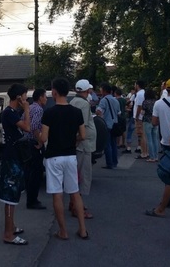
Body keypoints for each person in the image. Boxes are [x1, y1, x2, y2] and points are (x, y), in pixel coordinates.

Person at [40, 77, 88, 240]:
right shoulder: (76, 112)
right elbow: (83, 135)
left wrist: (37, 135)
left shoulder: (49, 113)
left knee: (57, 194)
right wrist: (73, 140)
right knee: (75, 193)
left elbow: (44, 138)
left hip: (54, 157)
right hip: (70, 156)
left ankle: (63, 231)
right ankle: (82, 229)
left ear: (54, 92)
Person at [145, 78, 170, 218]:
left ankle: (169, 200)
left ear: (166, 88)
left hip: (166, 141)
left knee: (169, 171)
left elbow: (154, 122)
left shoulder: (158, 103)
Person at [0, 83, 30, 245]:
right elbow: (27, 127)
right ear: (18, 97)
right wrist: (27, 109)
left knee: (15, 193)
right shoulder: (9, 113)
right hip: (11, 159)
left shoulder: (13, 113)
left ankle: (11, 226)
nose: (26, 98)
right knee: (10, 196)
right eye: (24, 95)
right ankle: (8, 234)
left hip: (16, 157)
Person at [69, 79, 96, 219]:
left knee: (76, 175)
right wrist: (78, 140)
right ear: (87, 90)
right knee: (83, 176)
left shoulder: (73, 101)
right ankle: (77, 206)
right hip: (83, 145)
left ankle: (73, 202)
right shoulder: (84, 104)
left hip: (78, 145)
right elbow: (82, 127)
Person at [24, 88, 47, 210]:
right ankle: (33, 200)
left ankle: (30, 198)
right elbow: (34, 126)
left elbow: (24, 122)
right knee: (36, 173)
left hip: (27, 143)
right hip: (34, 143)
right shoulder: (38, 109)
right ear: (40, 97)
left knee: (30, 172)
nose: (46, 99)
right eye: (45, 97)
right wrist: (40, 141)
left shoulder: (30, 108)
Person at [96, 82, 120, 169]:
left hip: (107, 124)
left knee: (107, 144)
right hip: (115, 124)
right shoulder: (116, 100)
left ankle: (109, 163)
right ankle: (114, 162)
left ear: (104, 91)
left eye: (101, 89)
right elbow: (119, 113)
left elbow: (99, 111)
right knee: (114, 144)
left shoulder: (104, 100)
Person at [142, 89, 158, 162]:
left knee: (149, 139)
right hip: (155, 120)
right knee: (155, 139)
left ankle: (152, 157)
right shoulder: (156, 102)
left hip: (147, 120)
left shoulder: (145, 102)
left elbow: (142, 112)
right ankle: (156, 156)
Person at [133, 80, 148, 159]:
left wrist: (137, 116)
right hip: (142, 117)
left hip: (139, 118)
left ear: (137, 85)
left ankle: (144, 152)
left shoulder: (139, 94)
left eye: (135, 85)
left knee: (141, 135)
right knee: (143, 134)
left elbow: (139, 106)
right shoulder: (144, 93)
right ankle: (146, 151)